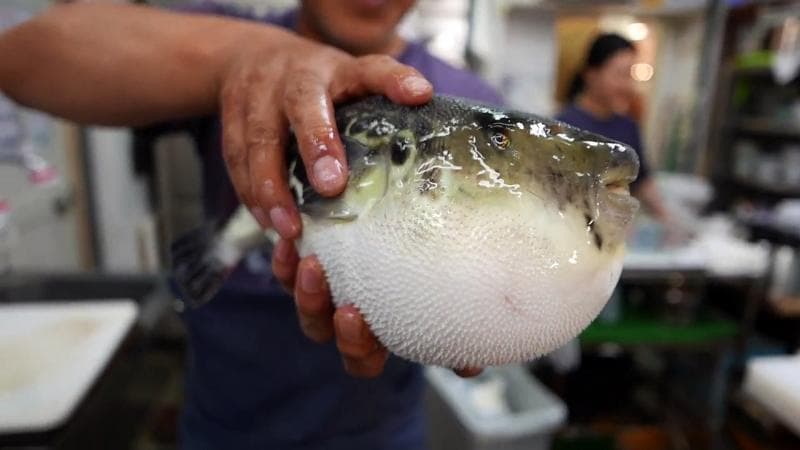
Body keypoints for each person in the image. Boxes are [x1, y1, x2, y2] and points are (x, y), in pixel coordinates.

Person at [0, 1, 503, 448]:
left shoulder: (466, 103)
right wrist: (242, 57)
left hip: (379, 429)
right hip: (223, 421)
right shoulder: (225, 33)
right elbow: (23, 57)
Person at [557, 33, 670, 223]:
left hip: (618, 233)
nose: (627, 85)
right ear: (592, 75)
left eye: (630, 75)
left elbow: (641, 180)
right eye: (620, 75)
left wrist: (666, 218)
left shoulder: (628, 126)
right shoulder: (563, 127)